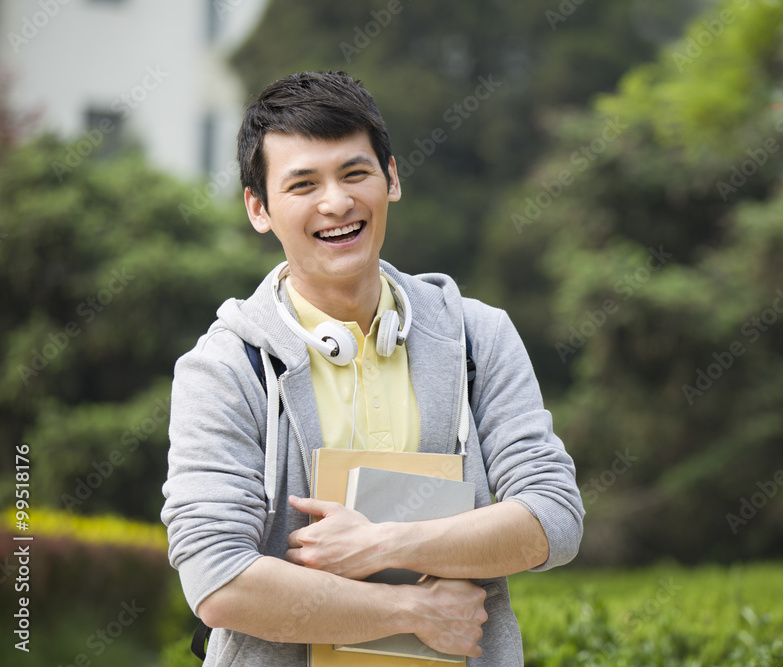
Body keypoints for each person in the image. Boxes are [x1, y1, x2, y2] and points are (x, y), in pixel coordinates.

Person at [161, 70, 584, 666]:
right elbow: (218, 580)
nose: (336, 202)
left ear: (391, 178)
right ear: (259, 209)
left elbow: (554, 517)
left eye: (355, 173)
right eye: (303, 184)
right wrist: (411, 613)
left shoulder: (477, 336)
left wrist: (381, 543)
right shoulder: (225, 367)